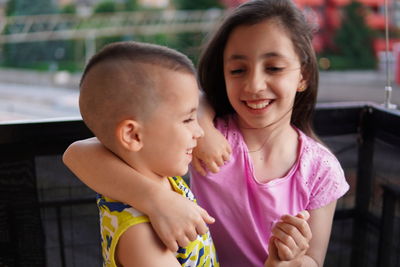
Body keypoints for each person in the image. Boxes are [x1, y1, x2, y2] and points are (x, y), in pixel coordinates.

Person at [63, 1, 350, 266]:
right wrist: (158, 201)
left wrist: (292, 260)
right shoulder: (202, 137)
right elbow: (77, 154)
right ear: (221, 73)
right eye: (238, 70)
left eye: (273, 67)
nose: (254, 85)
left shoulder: (321, 170)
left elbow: (314, 261)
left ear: (304, 75)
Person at [66, 41, 219, 267]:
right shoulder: (140, 236)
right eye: (188, 119)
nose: (199, 131)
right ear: (133, 136)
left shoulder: (158, 175)